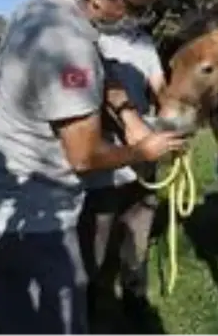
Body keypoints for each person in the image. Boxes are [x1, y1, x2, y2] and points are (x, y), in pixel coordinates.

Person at [0, 0, 186, 336]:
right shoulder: (68, 44)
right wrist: (142, 151)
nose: (136, 19)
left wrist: (131, 120)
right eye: (134, 7)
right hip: (32, 218)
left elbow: (103, 72)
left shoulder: (45, 2)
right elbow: (83, 157)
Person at [78, 25, 166, 330]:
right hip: (106, 154)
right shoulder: (89, 37)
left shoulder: (144, 42)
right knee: (98, 236)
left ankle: (135, 299)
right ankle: (87, 304)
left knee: (139, 228)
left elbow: (159, 87)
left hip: (143, 152)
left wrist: (173, 116)